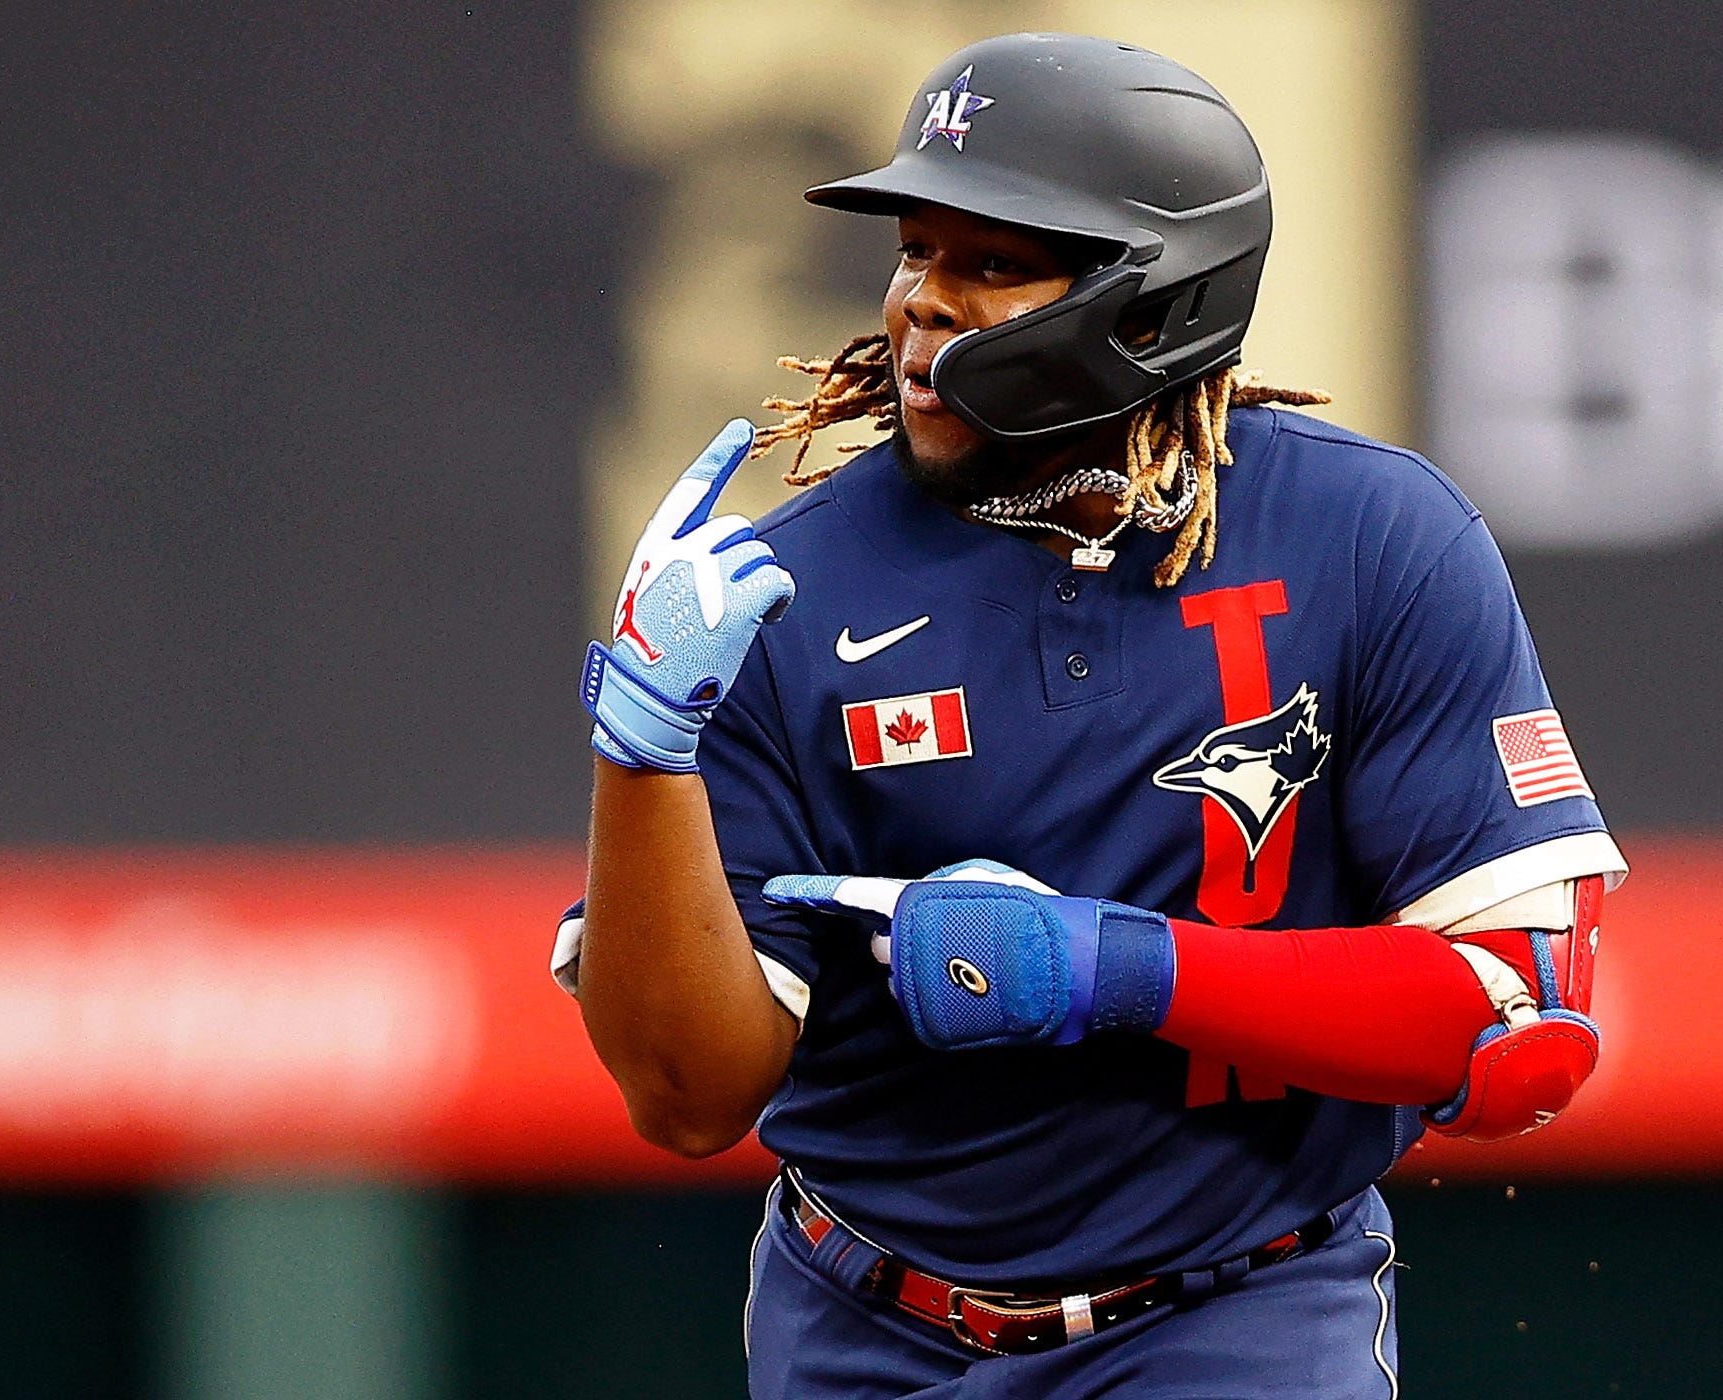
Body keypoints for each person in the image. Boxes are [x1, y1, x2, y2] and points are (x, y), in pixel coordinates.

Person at [555, 32, 1626, 1398]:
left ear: (1151, 303)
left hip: (1236, 1312)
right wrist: (641, 754)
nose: (919, 307)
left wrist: (1115, 969)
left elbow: (1517, 1034)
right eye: (914, 253)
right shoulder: (788, 590)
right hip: (872, 1330)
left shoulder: (1374, 535)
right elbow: (686, 1101)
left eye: (991, 266)